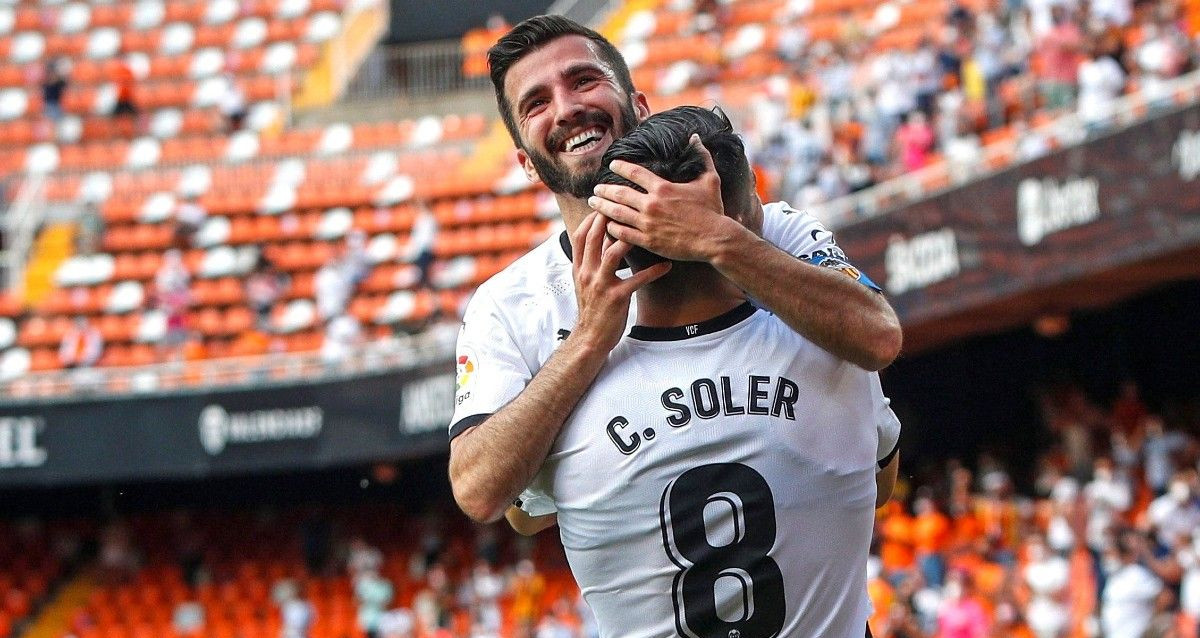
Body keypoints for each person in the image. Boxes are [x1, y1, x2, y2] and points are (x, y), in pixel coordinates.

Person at [448, 14, 901, 526]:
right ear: (526, 163)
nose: (568, 108)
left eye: (584, 80)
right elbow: (492, 500)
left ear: (638, 107)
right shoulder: (509, 303)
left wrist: (720, 241)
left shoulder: (769, 229)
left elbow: (880, 341)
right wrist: (587, 341)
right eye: (537, 103)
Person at [502, 106, 901, 637]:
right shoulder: (832, 352)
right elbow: (884, 482)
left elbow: (522, 515)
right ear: (730, 220)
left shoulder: (566, 411)